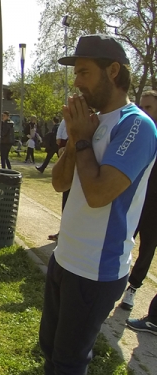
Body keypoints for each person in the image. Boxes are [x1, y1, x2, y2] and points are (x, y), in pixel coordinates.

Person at [39, 34, 157, 375]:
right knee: (50, 351)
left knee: (69, 363)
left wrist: (84, 139)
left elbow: (99, 193)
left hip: (96, 270)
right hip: (64, 260)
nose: (76, 82)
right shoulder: (90, 122)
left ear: (113, 71)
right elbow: (60, 182)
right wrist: (76, 139)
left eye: (84, 72)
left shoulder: (137, 125)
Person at [120, 90, 157, 311]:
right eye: (141, 107)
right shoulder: (135, 131)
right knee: (123, 237)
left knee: (148, 246)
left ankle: (132, 288)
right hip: (134, 196)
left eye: (149, 107)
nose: (143, 112)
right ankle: (114, 278)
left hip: (155, 202)